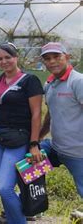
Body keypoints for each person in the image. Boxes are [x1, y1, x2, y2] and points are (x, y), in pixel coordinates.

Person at [0, 42, 43, 224]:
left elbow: (37, 114)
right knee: (6, 185)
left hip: (18, 139)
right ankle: (16, 217)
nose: (4, 61)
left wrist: (34, 144)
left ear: (16, 57)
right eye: (0, 59)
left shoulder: (29, 81)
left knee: (4, 188)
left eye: (8, 57)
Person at [39, 42, 83, 219]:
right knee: (29, 163)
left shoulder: (78, 81)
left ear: (67, 57)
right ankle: (33, 205)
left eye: (57, 57)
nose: (53, 61)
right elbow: (50, 114)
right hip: (56, 148)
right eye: (48, 58)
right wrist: (36, 140)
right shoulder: (50, 84)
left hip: (77, 152)